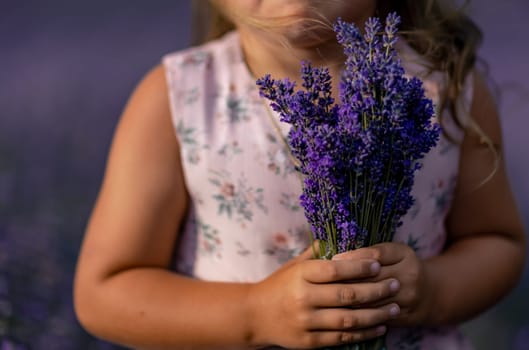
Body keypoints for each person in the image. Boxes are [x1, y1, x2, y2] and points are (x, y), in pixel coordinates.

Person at [73, 1, 526, 349]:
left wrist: (431, 291)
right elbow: (104, 291)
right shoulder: (179, 99)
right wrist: (254, 314)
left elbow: (498, 242)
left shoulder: (446, 89)